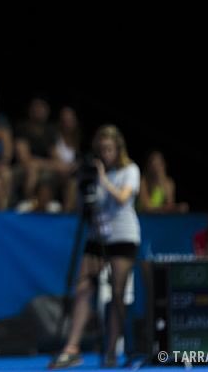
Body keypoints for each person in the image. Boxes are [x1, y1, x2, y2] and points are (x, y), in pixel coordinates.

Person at [50, 125, 141, 369]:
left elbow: (122, 198)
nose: (105, 154)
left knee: (117, 293)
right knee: (83, 287)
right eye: (101, 150)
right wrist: (81, 183)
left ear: (118, 149)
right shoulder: (91, 174)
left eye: (109, 149)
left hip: (123, 236)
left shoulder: (130, 170)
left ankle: (111, 350)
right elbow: (81, 208)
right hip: (96, 234)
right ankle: (71, 348)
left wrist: (101, 178)